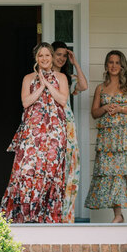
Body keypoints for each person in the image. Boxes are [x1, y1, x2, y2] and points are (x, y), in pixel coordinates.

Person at [0, 42, 68, 223]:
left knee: (51, 170)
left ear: (52, 57)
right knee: (27, 169)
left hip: (54, 131)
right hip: (32, 129)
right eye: (41, 56)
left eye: (47, 55)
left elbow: (62, 100)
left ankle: (47, 216)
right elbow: (25, 102)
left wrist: (48, 83)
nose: (44, 59)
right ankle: (26, 214)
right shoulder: (28, 78)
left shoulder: (61, 77)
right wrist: (40, 86)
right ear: (36, 58)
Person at [87, 51, 127, 222]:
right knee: (111, 174)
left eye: (117, 62)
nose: (114, 65)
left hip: (124, 136)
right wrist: (105, 108)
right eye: (110, 62)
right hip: (107, 138)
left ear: (122, 65)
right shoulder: (100, 88)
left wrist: (120, 109)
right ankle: (118, 215)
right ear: (106, 65)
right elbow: (94, 113)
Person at [51, 42, 88, 223]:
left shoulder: (67, 77)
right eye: (58, 54)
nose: (61, 58)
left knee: (69, 167)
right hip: (50, 124)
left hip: (67, 124)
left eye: (64, 56)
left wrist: (75, 63)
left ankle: (66, 214)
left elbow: (83, 86)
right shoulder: (43, 77)